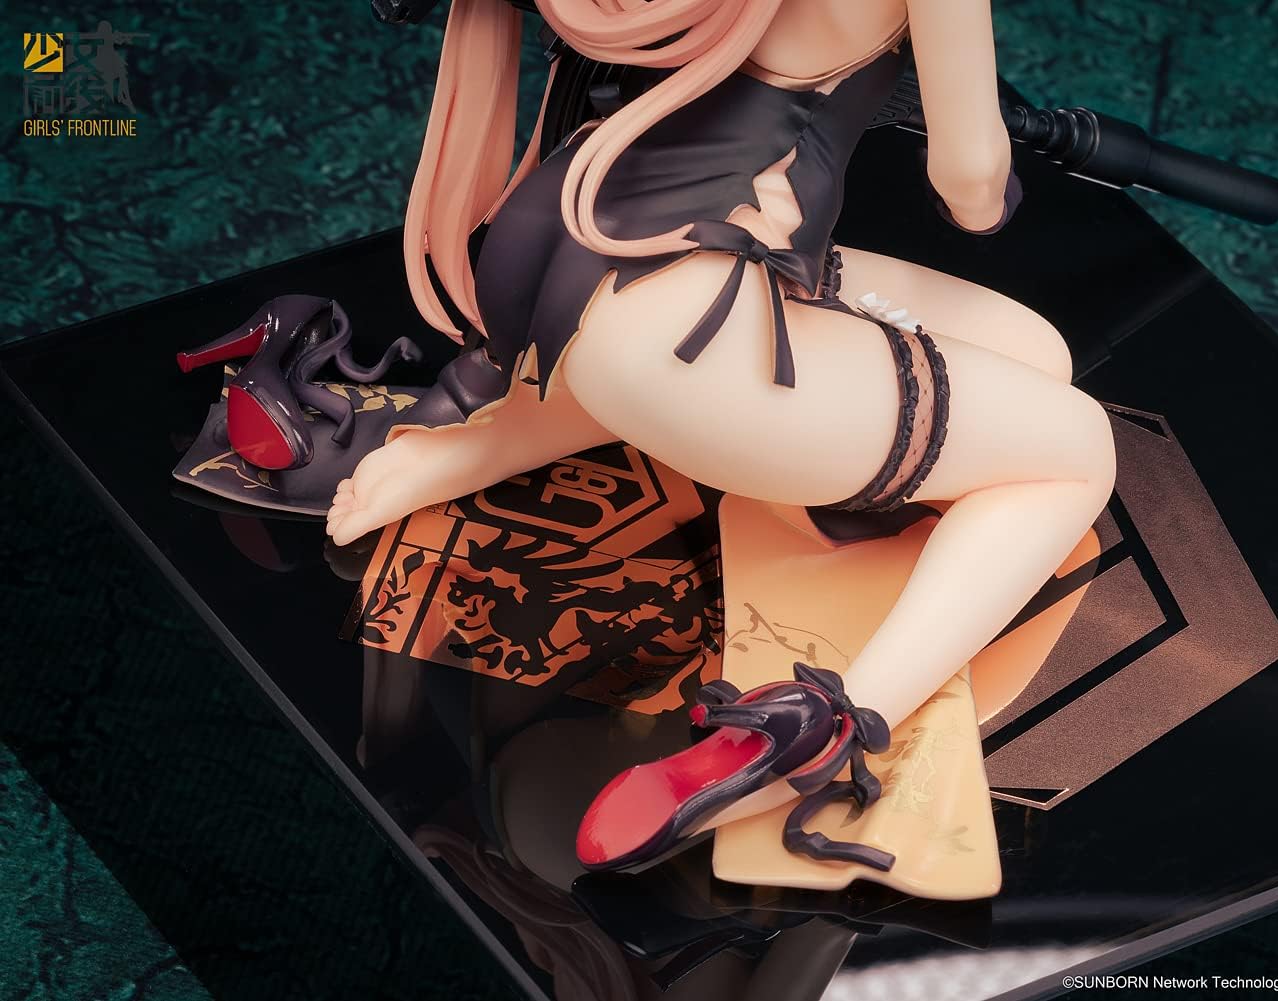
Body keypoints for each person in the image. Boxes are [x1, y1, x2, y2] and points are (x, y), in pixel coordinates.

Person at [326, 0, 1116, 872]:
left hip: (574, 262)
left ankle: (489, 440)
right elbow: (970, 179)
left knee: (1035, 353)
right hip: (693, 338)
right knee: (1075, 448)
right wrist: (991, 189)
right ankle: (823, 727)